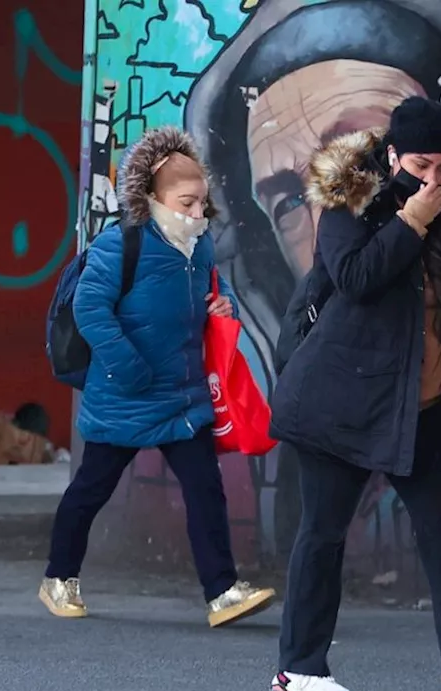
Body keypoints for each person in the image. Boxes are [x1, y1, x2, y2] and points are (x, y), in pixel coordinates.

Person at [267, 97, 441, 691]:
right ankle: (298, 667)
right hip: (346, 400)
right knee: (324, 533)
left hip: (424, 405)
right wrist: (410, 221)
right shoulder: (350, 202)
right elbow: (356, 277)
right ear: (392, 156)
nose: (432, 179)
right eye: (420, 165)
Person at [38, 126, 276, 628]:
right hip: (126, 393)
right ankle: (59, 578)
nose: (196, 213)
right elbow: (90, 308)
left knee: (205, 488)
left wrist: (222, 303)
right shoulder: (119, 245)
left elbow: (214, 287)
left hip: (182, 397)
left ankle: (222, 592)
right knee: (91, 489)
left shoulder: (200, 246)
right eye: (186, 202)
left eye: (202, 204)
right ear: (153, 197)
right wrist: (130, 369)